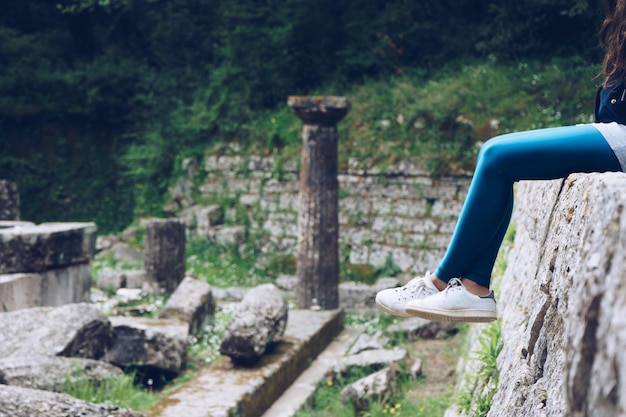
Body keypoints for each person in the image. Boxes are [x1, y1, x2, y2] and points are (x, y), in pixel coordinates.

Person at [376, 0, 626, 323]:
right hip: (614, 130)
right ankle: (474, 287)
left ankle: (439, 282)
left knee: (497, 156)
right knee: (495, 157)